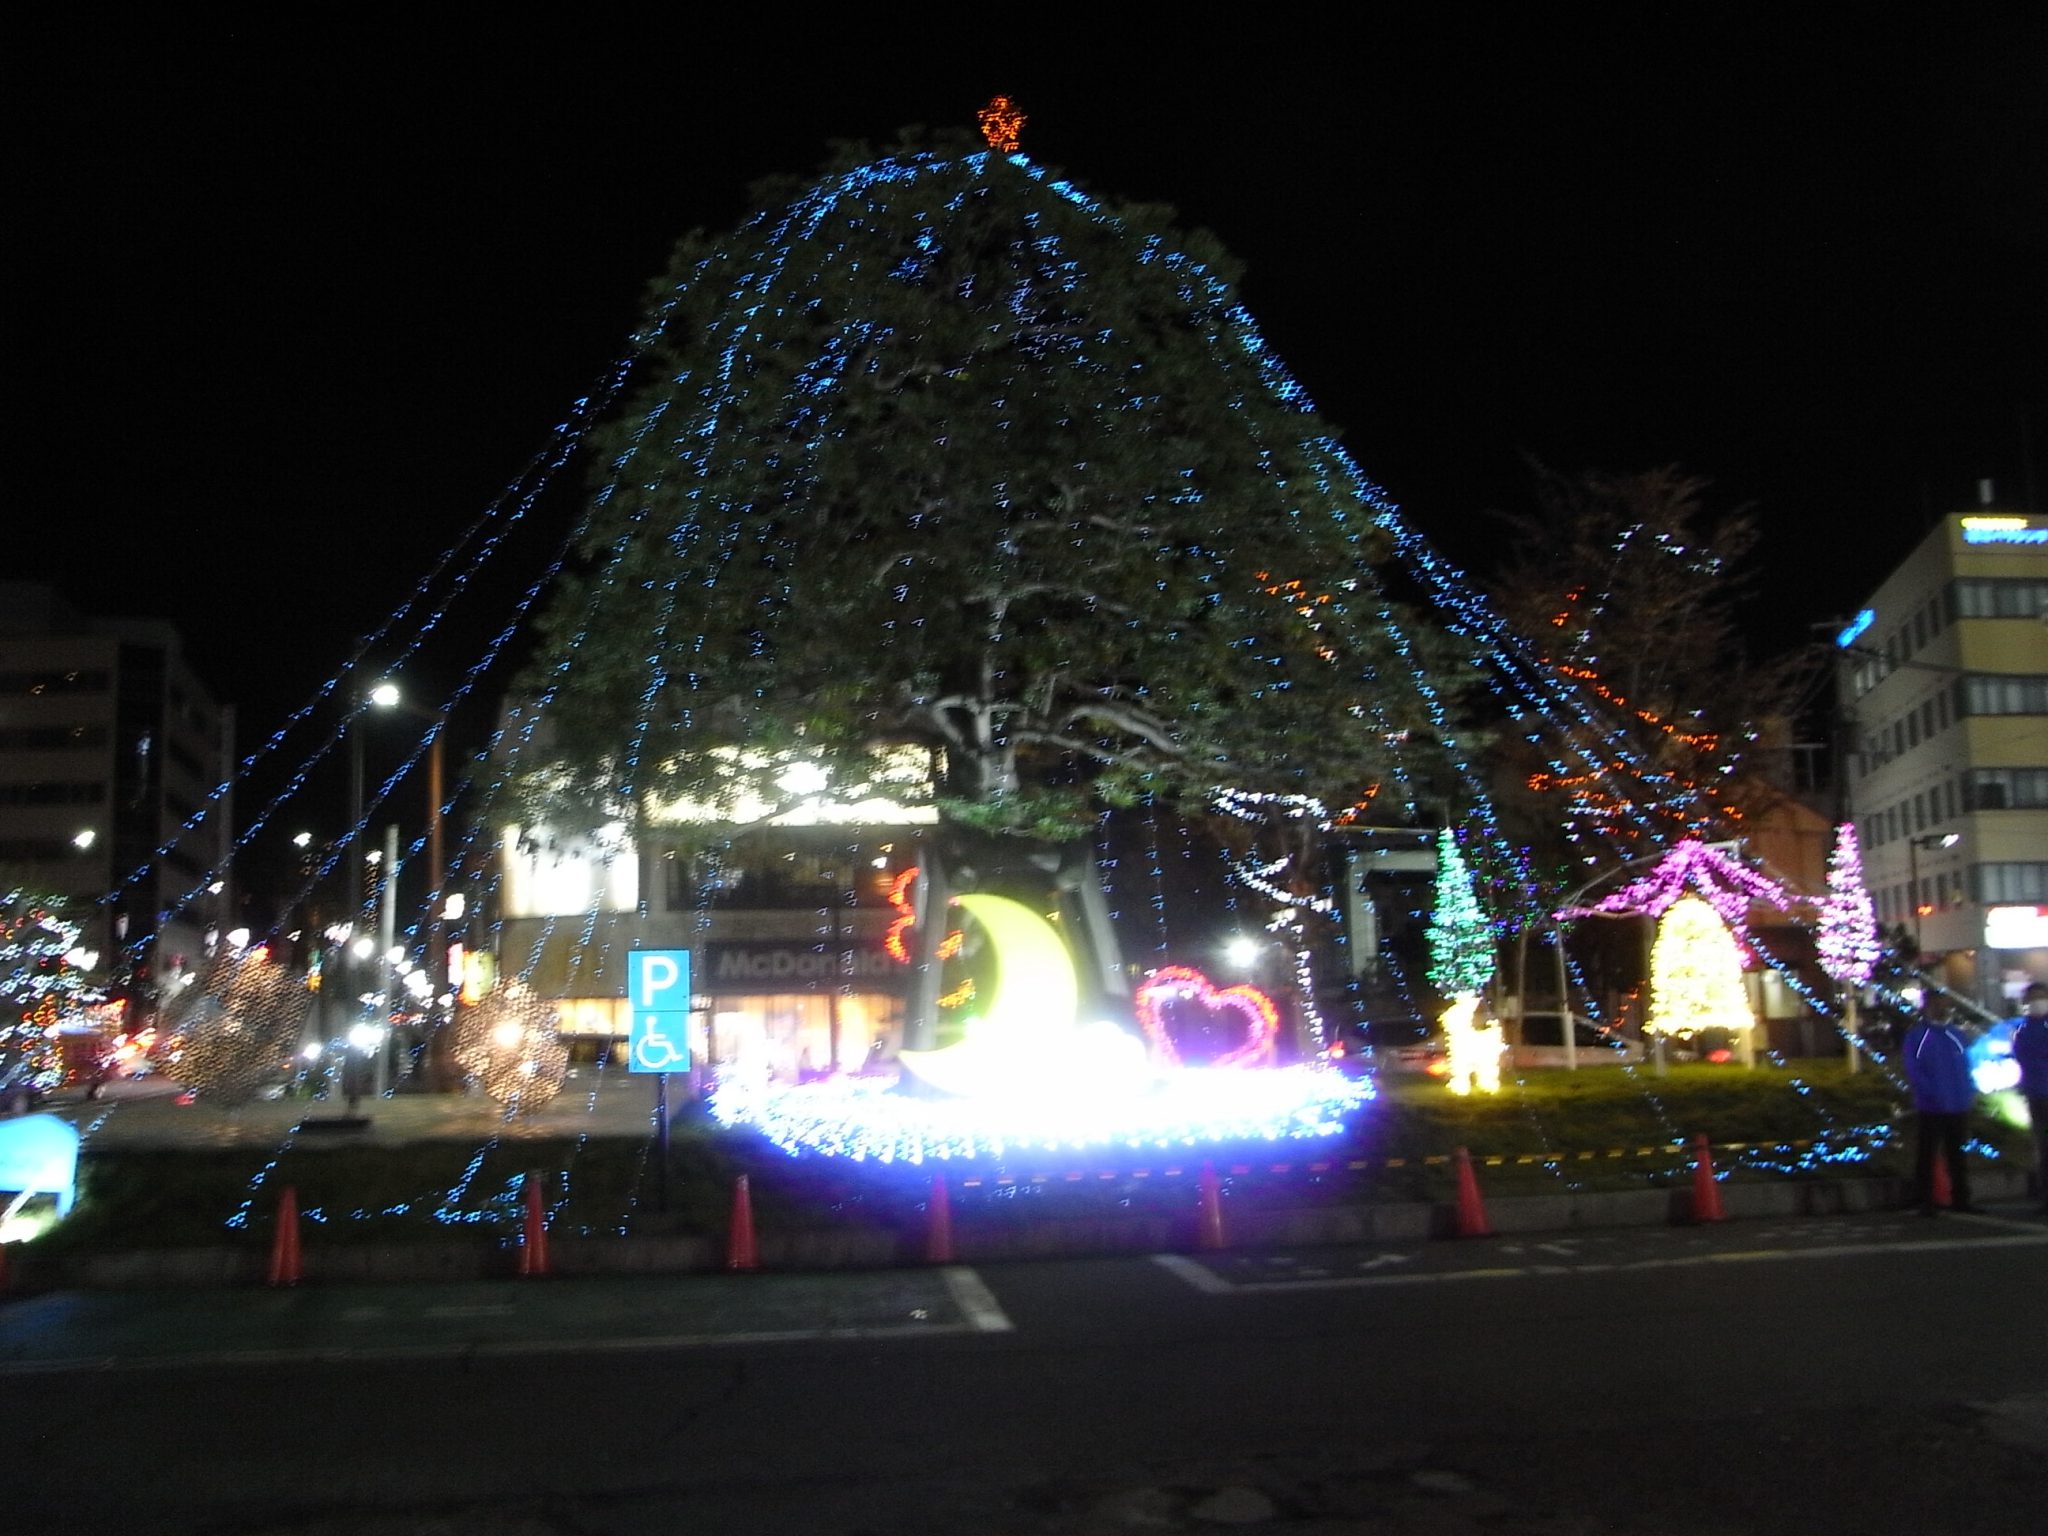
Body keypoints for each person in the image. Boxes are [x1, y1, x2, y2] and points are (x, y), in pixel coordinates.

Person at [1902, 1004, 1978, 1214]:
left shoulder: (1956, 1034)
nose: (1940, 1009)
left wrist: (1968, 1091)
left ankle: (1961, 1198)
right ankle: (1925, 1199)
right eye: (1936, 1005)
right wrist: (1931, 1093)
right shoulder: (1919, 1036)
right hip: (1931, 1105)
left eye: (1942, 1004)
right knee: (1927, 1153)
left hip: (1957, 1103)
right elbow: (1914, 1068)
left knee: (1957, 1154)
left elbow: (1967, 1065)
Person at [2011, 981, 2048, 1214]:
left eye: (2040, 996)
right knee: (2043, 1147)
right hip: (2036, 1093)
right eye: (2033, 997)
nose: (2036, 1001)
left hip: (2037, 1090)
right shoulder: (2023, 1029)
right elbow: (2022, 1057)